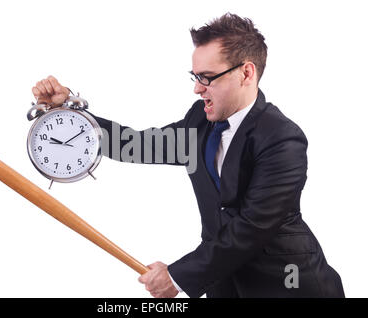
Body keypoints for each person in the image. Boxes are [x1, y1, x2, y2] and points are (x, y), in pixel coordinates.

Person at [31, 13, 344, 298]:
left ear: (246, 73)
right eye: (194, 77)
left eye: (206, 77)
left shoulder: (282, 139)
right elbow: (136, 145)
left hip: (289, 287)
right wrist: (69, 109)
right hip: (224, 286)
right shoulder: (201, 120)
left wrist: (177, 277)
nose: (197, 89)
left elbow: (251, 228)